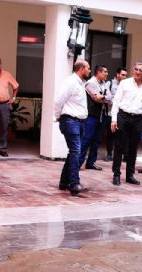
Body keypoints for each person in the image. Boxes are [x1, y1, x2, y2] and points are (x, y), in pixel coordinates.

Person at [110, 61, 142, 186]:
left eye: (141, 70)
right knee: (119, 146)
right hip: (123, 116)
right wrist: (113, 119)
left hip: (138, 119)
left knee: (133, 148)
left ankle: (130, 175)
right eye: (136, 69)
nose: (138, 72)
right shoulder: (125, 83)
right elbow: (116, 101)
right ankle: (116, 174)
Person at [53, 60, 90, 196]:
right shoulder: (70, 82)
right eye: (88, 68)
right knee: (76, 151)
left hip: (79, 122)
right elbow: (58, 101)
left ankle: (64, 182)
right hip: (70, 121)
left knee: (74, 152)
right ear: (81, 69)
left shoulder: (81, 83)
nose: (89, 71)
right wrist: (58, 116)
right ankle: (74, 183)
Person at [80, 64, 111, 171]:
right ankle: (78, 163)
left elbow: (110, 98)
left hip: (102, 116)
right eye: (105, 72)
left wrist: (103, 97)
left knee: (97, 140)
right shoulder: (90, 83)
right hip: (91, 115)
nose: (107, 74)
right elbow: (96, 98)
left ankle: (91, 163)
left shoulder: (105, 84)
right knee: (86, 139)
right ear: (98, 73)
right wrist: (103, 97)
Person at [105, 67, 128, 161]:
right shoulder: (109, 84)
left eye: (126, 75)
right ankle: (109, 153)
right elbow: (108, 98)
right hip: (111, 113)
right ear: (117, 74)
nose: (124, 77)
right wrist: (117, 101)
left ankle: (123, 154)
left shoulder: (126, 85)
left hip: (123, 114)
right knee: (111, 135)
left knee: (123, 135)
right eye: (123, 75)